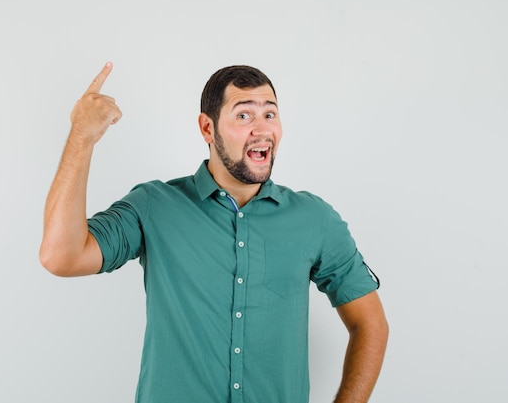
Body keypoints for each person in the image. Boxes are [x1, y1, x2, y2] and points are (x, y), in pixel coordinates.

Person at [40, 62, 389, 403]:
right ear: (208, 129)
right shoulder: (154, 206)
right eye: (243, 115)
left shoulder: (315, 219)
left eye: (270, 114)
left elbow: (370, 323)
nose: (262, 128)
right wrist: (82, 137)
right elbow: (61, 256)